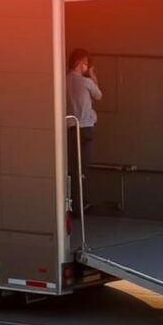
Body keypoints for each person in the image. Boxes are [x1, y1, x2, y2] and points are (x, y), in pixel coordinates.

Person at [67, 48, 102, 207]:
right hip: (86, 127)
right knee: (82, 168)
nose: (87, 68)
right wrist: (93, 76)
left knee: (71, 166)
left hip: (69, 128)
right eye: (86, 64)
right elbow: (99, 95)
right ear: (80, 64)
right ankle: (81, 203)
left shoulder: (64, 80)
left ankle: (71, 202)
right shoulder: (86, 82)